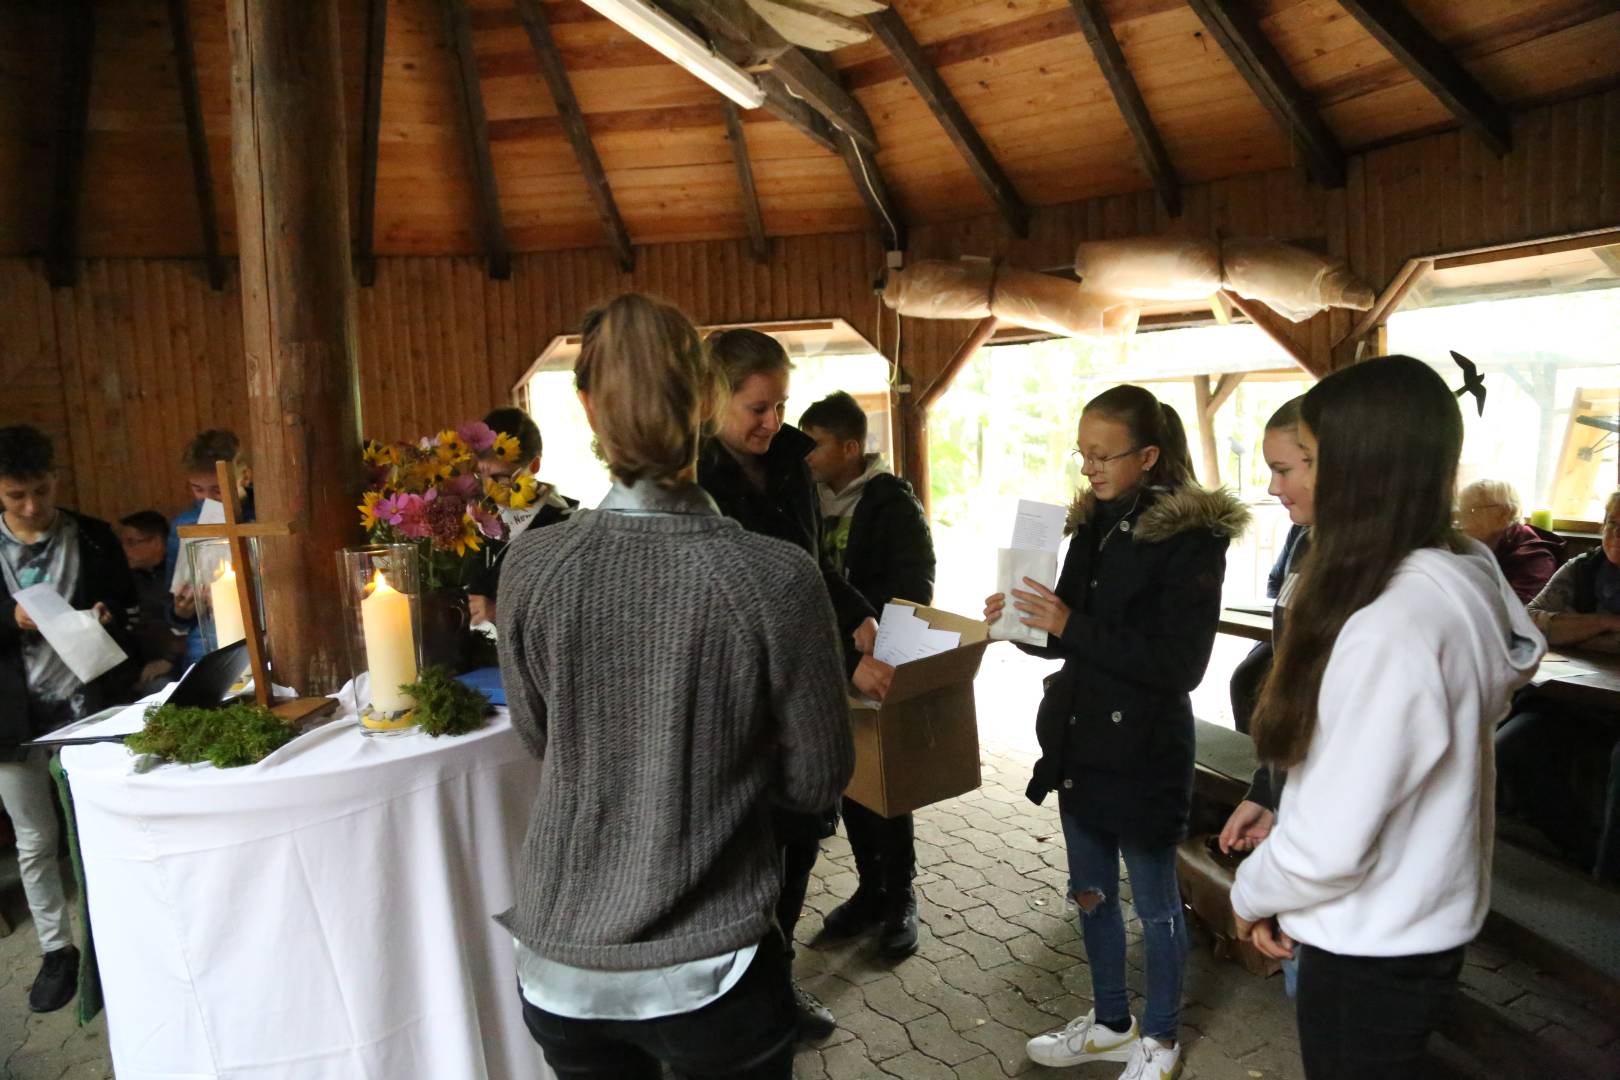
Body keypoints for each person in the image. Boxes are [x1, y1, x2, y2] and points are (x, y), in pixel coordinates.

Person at [495, 294, 852, 1080]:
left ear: (585, 405)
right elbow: (819, 776)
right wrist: (723, 803)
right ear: (704, 400)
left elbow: (540, 738)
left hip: (563, 965)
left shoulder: (532, 565)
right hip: (713, 962)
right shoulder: (772, 576)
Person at [1229, 357, 1545, 1080]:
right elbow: (1364, 778)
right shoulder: (1450, 573)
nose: (1287, 481)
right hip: (1408, 920)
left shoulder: (1391, 621)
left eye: (1306, 458)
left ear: (1360, 466)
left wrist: (1252, 892)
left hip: (1371, 942)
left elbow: (1331, 847)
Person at [986, 385, 1248, 1080]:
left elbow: (1179, 665)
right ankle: (1109, 1022)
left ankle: (1160, 1038)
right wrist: (1022, 621)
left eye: (1105, 455)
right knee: (1090, 893)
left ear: (1150, 454)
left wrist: (1069, 624)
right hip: (1080, 740)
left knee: (1157, 907)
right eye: (1083, 454)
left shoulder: (1191, 539)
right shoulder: (1097, 522)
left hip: (1144, 750)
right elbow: (1066, 637)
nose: (1090, 468)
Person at [697, 328, 884, 1041]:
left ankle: (775, 986)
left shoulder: (790, 464)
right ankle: (739, 1000)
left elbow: (804, 566)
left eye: (780, 405)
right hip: (739, 696)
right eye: (756, 408)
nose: (772, 422)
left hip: (800, 690)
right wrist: (839, 653)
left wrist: (856, 610)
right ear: (712, 399)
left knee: (802, 836)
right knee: (747, 859)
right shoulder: (693, 483)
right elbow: (742, 598)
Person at [0, 425, 137, 1013]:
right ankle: (58, 950)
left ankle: (118, 941)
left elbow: (130, 611)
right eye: (16, 497)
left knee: (101, 829)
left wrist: (108, 617)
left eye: (42, 490)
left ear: (56, 477)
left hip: (88, 708)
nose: (34, 507)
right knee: (35, 840)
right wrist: (10, 621)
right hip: (12, 716)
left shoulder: (96, 538)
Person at [800, 390, 935, 958]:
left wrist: (877, 650)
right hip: (826, 666)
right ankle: (869, 889)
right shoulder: (805, 501)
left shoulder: (889, 503)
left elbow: (915, 585)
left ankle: (899, 895)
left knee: (886, 783)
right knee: (851, 779)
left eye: (815, 445)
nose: (803, 455)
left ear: (851, 448)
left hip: (878, 663)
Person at [1219, 399, 1313, 1000]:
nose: (1272, 486)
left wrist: (1264, 888)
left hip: (1339, 880)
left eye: (1286, 469)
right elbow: (1294, 697)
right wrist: (1266, 790)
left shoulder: (1377, 579)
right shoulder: (1309, 541)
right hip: (1301, 820)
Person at [1496, 488, 1620, 881]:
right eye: (1611, 523)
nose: (1616, 534)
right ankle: (1584, 854)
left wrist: (1571, 630)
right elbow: (1528, 620)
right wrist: (1607, 623)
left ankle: (1609, 874)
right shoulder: (1585, 569)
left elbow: (1551, 626)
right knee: (1512, 745)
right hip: (1576, 702)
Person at [467, 407, 577, 628]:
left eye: (500, 477)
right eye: (482, 476)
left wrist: (501, 613)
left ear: (534, 465)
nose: (489, 489)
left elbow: (570, 610)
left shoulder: (564, 527)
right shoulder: (478, 518)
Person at [166, 430, 254, 667]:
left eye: (217, 490)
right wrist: (180, 612)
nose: (208, 500)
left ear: (244, 477)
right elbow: (173, 614)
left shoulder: (262, 518)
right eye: (198, 489)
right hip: (205, 645)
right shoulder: (184, 527)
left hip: (261, 636)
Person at [1457, 478, 1563, 603]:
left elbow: (1515, 611)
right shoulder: (1471, 547)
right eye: (1462, 511)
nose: (1462, 519)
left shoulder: (1535, 558)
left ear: (1506, 512)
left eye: (1472, 511)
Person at [118, 510, 187, 694]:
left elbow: (190, 627)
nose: (124, 549)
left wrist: (169, 659)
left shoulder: (178, 576)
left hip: (179, 665)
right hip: (140, 670)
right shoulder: (127, 579)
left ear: (157, 542)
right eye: (122, 543)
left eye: (131, 542)